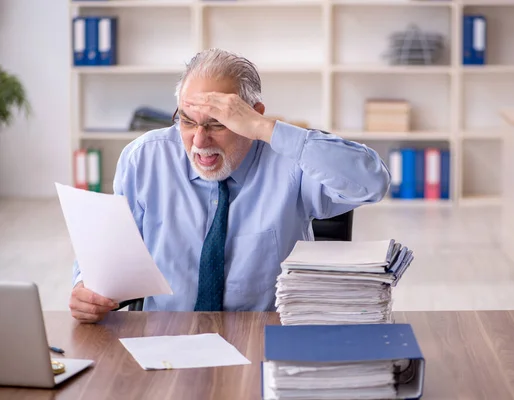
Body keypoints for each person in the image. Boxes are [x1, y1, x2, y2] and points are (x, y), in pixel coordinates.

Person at [69, 48, 391, 323]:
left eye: (217, 123)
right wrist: (86, 286)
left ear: (253, 117)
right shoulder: (144, 160)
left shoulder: (289, 160)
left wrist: (268, 130)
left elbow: (373, 182)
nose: (199, 140)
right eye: (187, 120)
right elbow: (107, 254)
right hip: (167, 341)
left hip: (263, 340)